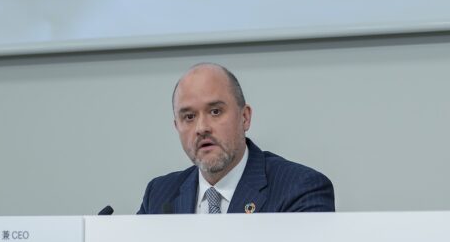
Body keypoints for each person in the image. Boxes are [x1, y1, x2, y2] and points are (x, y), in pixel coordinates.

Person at [138, 63, 335, 214]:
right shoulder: (158, 195)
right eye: (189, 117)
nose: (202, 128)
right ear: (177, 127)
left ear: (245, 117)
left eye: (215, 112)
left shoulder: (300, 189)